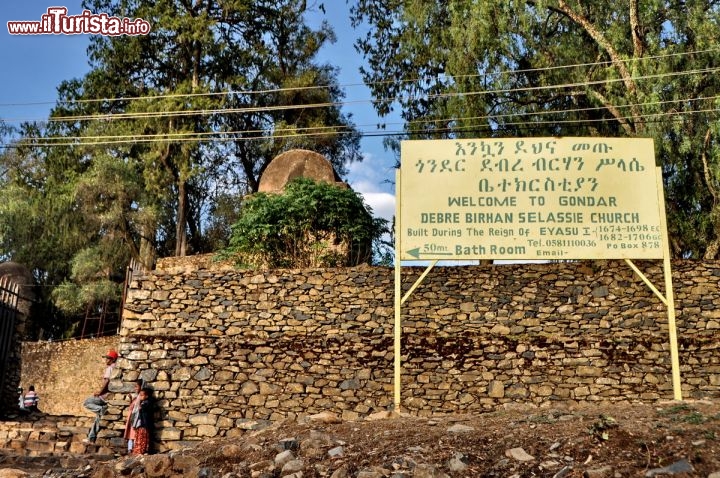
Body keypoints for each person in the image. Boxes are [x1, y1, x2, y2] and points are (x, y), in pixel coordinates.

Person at [83, 349, 118, 443]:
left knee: (87, 402)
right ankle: (92, 437)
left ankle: (100, 409)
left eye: (108, 358)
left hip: (105, 396)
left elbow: (107, 381)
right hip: (111, 397)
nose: (106, 360)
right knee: (98, 418)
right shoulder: (116, 367)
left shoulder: (110, 368)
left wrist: (100, 392)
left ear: (112, 359)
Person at [131, 387, 154, 455]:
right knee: (140, 437)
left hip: (145, 424)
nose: (140, 397)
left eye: (141, 395)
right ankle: (140, 450)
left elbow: (145, 411)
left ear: (146, 396)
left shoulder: (147, 403)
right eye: (140, 395)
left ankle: (142, 450)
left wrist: (142, 407)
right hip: (143, 423)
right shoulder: (144, 402)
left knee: (143, 437)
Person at [123, 379, 144, 454]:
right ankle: (130, 449)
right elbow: (132, 406)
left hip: (135, 418)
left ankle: (133, 449)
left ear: (141, 387)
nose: (135, 388)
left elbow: (137, 407)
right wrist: (131, 399)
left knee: (134, 433)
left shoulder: (140, 397)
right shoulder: (137, 397)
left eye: (136, 386)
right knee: (130, 433)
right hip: (132, 417)